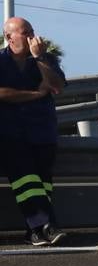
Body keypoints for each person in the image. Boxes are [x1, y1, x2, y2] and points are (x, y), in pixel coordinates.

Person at [0, 16, 67, 246]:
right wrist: (36, 94)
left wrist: (39, 58)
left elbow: (57, 86)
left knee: (42, 182)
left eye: (31, 31)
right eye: (25, 32)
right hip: (11, 133)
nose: (31, 36)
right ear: (9, 37)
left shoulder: (46, 59)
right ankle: (48, 225)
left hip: (42, 130)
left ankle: (37, 231)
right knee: (25, 179)